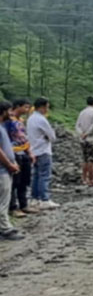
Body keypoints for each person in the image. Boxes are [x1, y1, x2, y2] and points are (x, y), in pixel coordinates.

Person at [27, 97, 58, 210]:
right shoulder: (41, 119)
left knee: (36, 176)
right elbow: (52, 137)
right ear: (42, 107)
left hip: (33, 150)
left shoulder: (31, 118)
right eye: (47, 107)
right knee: (45, 175)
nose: (47, 110)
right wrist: (47, 137)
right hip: (43, 150)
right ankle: (45, 199)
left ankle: (34, 199)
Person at [6, 99, 35, 218]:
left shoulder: (20, 121)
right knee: (14, 182)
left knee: (24, 180)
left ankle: (24, 204)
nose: (27, 110)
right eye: (25, 107)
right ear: (18, 106)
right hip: (13, 153)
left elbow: (24, 138)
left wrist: (30, 152)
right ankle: (13, 207)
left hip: (24, 152)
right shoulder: (7, 121)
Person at [0, 101, 25, 240]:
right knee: (3, 201)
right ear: (3, 112)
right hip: (2, 170)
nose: (11, 114)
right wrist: (9, 164)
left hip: (5, 169)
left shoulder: (2, 127)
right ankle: (5, 229)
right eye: (9, 111)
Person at [75, 96, 93, 187]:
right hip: (92, 139)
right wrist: (87, 133)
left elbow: (77, 125)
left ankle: (84, 179)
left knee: (85, 159)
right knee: (91, 160)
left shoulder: (82, 112)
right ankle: (91, 180)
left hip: (83, 140)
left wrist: (81, 134)